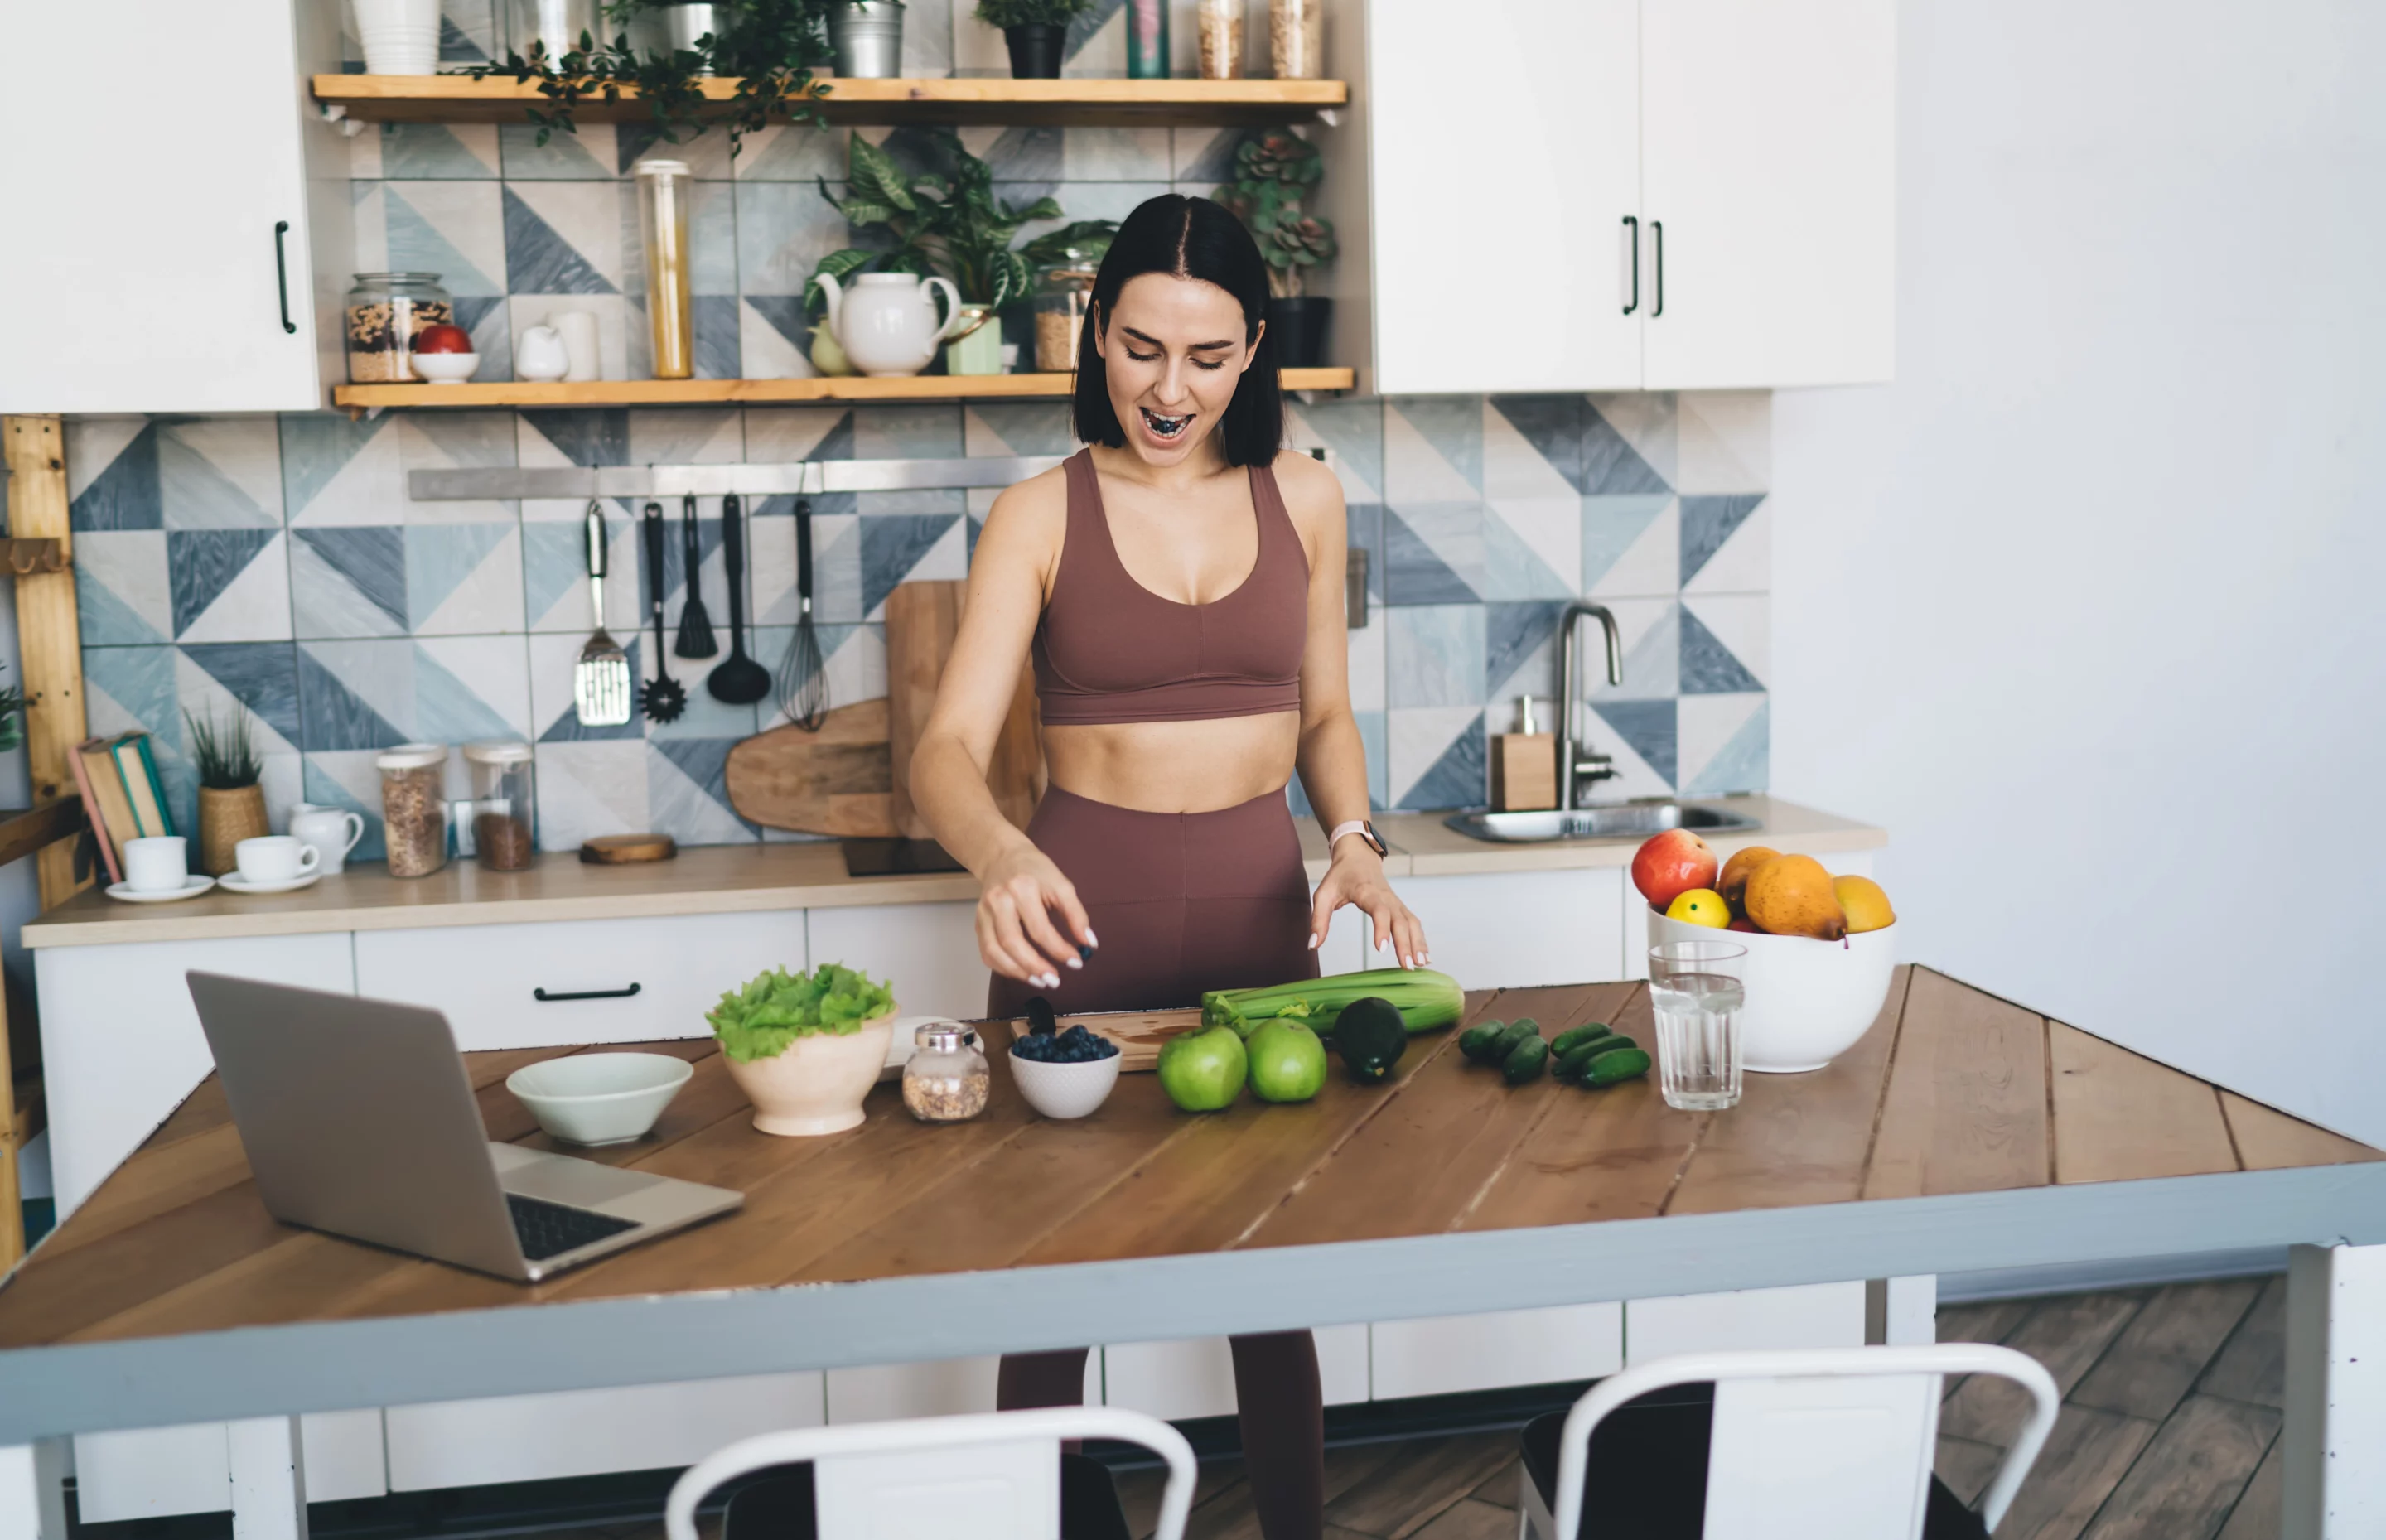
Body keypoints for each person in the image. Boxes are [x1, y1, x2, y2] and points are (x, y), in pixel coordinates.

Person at [908, 193, 1428, 1539]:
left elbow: (1322, 714)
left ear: (1254, 350)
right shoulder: (1038, 511)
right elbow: (946, 750)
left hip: (1266, 917)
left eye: (1206, 356)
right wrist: (1001, 848)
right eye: (1141, 348)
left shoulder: (1305, 494)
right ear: (1096, 329)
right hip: (1084, 921)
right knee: (1056, 1283)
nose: (1169, 387)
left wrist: (1357, 839)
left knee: (1271, 1278)